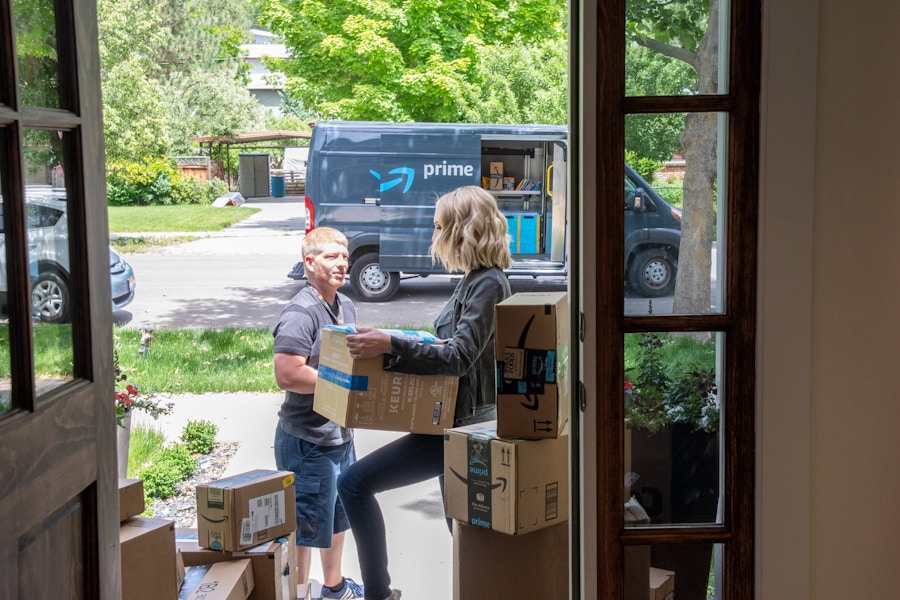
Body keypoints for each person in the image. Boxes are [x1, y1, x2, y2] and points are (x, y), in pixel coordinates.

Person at [337, 185, 513, 600]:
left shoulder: (488, 284)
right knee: (463, 526)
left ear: (462, 230)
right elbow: (449, 348)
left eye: (439, 226)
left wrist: (391, 345)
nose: (433, 236)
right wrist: (395, 342)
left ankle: (379, 595)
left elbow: (458, 357)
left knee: (354, 484)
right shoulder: (472, 280)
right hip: (448, 422)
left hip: (463, 428)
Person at [272, 227, 364, 600]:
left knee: (338, 518)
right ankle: (297, 594)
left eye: (344, 256)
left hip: (339, 436)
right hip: (307, 441)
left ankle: (333, 587)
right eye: (331, 256)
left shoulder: (345, 304)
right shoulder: (302, 311)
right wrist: (343, 384)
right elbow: (288, 374)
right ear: (309, 263)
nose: (341, 263)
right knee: (305, 529)